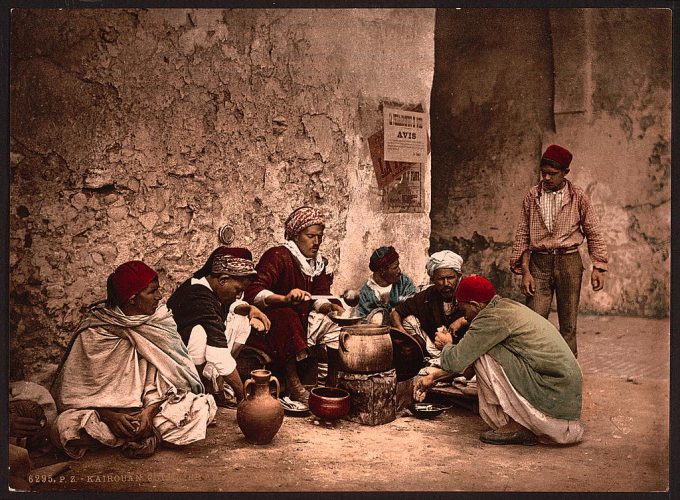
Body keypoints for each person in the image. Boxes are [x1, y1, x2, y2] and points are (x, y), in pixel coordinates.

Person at [50, 261, 216, 459]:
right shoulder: (95, 332)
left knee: (199, 407)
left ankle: (131, 435)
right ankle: (138, 436)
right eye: (152, 292)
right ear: (132, 299)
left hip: (146, 410)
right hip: (103, 414)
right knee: (64, 427)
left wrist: (148, 413)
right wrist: (111, 417)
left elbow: (164, 381)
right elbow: (76, 393)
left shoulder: (157, 323)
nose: (160, 296)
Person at [415, 275, 584, 446]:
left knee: (485, 351)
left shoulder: (490, 319)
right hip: (563, 398)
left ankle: (517, 425)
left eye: (464, 310)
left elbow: (455, 361)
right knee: (481, 348)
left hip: (553, 393)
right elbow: (467, 363)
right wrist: (434, 377)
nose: (464, 316)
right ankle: (521, 421)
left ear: (475, 305)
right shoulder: (503, 306)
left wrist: (446, 345)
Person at [510, 144, 609, 356]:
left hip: (569, 263)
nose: (546, 178)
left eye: (552, 174)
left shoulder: (578, 197)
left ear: (566, 173)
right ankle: (533, 372)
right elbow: (523, 235)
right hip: (539, 263)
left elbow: (593, 231)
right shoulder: (532, 196)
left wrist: (598, 267)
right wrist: (525, 271)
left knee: (568, 325)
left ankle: (568, 375)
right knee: (533, 323)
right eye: (543, 173)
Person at [244, 206, 345, 403]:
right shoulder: (278, 256)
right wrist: (284, 298)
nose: (316, 242)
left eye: (320, 236)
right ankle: (294, 384)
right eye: (310, 236)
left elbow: (320, 296)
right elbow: (253, 292)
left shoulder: (318, 264)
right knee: (287, 315)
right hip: (270, 325)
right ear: (295, 235)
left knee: (334, 322)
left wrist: (329, 307)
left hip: (302, 321)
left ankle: (332, 384)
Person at [167, 247, 270, 406]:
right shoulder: (197, 295)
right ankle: (198, 390)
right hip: (175, 365)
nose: (237, 296)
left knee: (242, 319)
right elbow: (217, 352)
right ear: (222, 280)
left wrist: (250, 309)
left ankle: (217, 384)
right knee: (200, 334)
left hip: (192, 358)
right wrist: (243, 395)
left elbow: (229, 306)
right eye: (237, 290)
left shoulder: (210, 288)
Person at [390, 250, 469, 362]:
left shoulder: (469, 291)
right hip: (437, 348)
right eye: (441, 279)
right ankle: (434, 359)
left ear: (459, 276)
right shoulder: (429, 295)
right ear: (433, 280)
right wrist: (402, 333)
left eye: (450, 278)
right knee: (408, 320)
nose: (446, 283)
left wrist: (462, 321)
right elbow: (396, 313)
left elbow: (489, 314)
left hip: (465, 350)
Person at [356, 246, 417, 325]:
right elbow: (362, 321)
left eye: (398, 266)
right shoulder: (365, 294)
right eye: (395, 267)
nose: (399, 270)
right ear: (382, 271)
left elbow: (413, 302)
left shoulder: (403, 282)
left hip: (404, 332)